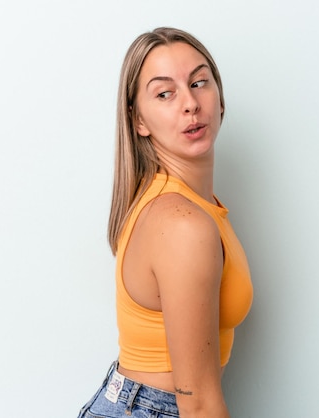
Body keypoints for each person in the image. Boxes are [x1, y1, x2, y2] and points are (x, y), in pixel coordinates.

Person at [78, 27, 253, 418]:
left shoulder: (186, 204)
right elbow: (200, 406)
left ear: (220, 98)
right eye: (164, 93)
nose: (190, 103)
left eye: (199, 82)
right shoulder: (182, 224)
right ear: (138, 120)